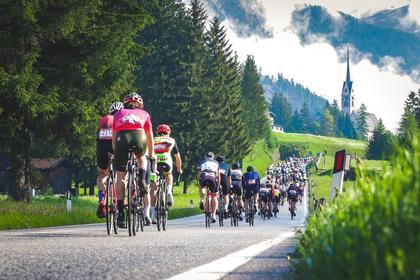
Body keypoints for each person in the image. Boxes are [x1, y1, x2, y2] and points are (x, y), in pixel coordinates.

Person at [112, 92, 156, 227]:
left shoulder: (119, 113)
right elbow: (149, 137)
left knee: (121, 177)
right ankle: (142, 179)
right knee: (141, 157)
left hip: (122, 138)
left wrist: (116, 152)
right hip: (139, 136)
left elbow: (114, 135)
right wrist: (152, 154)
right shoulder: (145, 114)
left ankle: (120, 212)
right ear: (139, 105)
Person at [96, 101, 123, 218]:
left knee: (102, 175)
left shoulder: (104, 119)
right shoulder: (122, 119)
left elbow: (97, 136)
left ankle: (102, 200)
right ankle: (120, 200)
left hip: (102, 146)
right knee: (121, 175)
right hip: (115, 145)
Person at [150, 124, 182, 224]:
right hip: (166, 161)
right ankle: (168, 191)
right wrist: (179, 169)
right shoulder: (171, 140)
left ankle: (153, 214)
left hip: (154, 163)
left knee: (153, 186)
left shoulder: (153, 139)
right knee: (169, 175)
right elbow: (178, 158)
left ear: (157, 133)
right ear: (168, 133)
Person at [198, 152, 220, 223]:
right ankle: (213, 215)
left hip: (204, 175)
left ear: (206, 157)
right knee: (214, 195)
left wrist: (199, 182)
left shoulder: (202, 162)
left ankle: (201, 199)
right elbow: (218, 175)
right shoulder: (216, 162)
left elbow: (198, 174)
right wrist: (218, 184)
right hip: (212, 177)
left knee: (202, 187)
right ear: (213, 157)